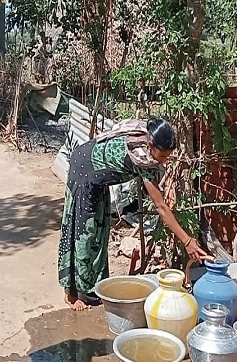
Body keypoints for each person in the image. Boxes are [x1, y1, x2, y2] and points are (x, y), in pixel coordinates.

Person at [58, 118, 214, 311]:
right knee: (84, 232)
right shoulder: (141, 157)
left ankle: (92, 289)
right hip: (83, 170)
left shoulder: (147, 135)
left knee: (100, 231)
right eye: (162, 156)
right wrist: (187, 240)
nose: (163, 161)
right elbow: (160, 207)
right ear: (150, 145)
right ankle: (72, 293)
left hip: (97, 177)